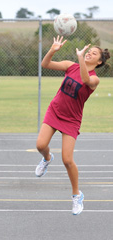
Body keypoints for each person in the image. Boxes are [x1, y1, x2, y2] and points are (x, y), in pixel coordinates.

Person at [35, 36, 110, 215]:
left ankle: (77, 195)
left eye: (93, 54)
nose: (88, 54)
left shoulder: (94, 79)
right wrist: (53, 49)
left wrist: (80, 57)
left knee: (67, 160)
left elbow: (85, 80)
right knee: (40, 145)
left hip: (71, 119)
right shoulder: (71, 66)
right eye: (88, 52)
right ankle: (46, 159)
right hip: (55, 110)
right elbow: (45, 64)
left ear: (99, 62)